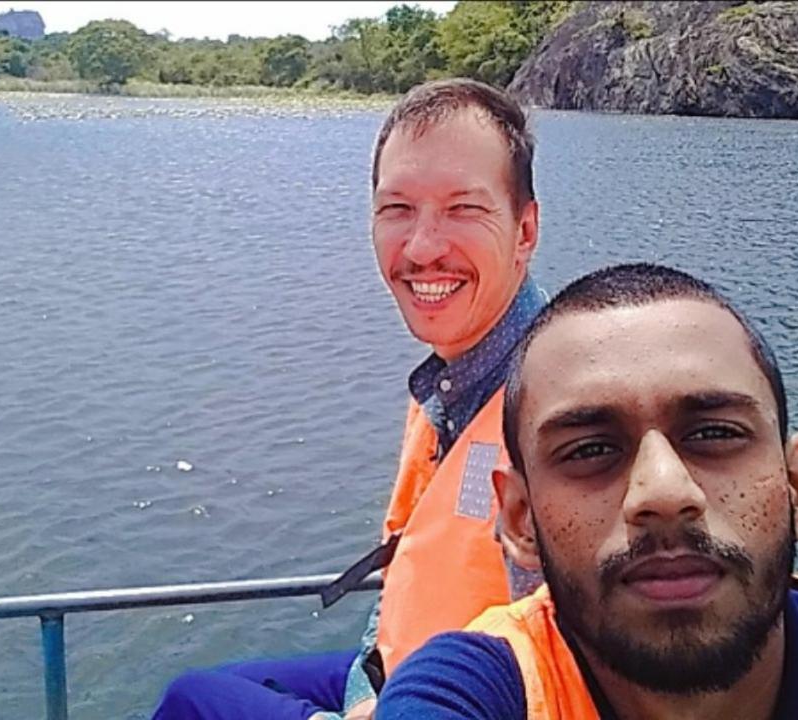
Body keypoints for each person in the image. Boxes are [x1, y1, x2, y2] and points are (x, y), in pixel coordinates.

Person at [378, 263, 798, 719]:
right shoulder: (486, 690)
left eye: (714, 433)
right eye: (591, 450)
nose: (663, 492)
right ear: (518, 519)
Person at [153, 78, 550, 719]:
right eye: (397, 209)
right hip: (393, 667)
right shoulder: (452, 385)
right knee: (215, 686)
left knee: (193, 702)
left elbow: (576, 662)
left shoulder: (561, 409)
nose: (422, 247)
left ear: (525, 229)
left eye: (462, 209)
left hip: (463, 703)